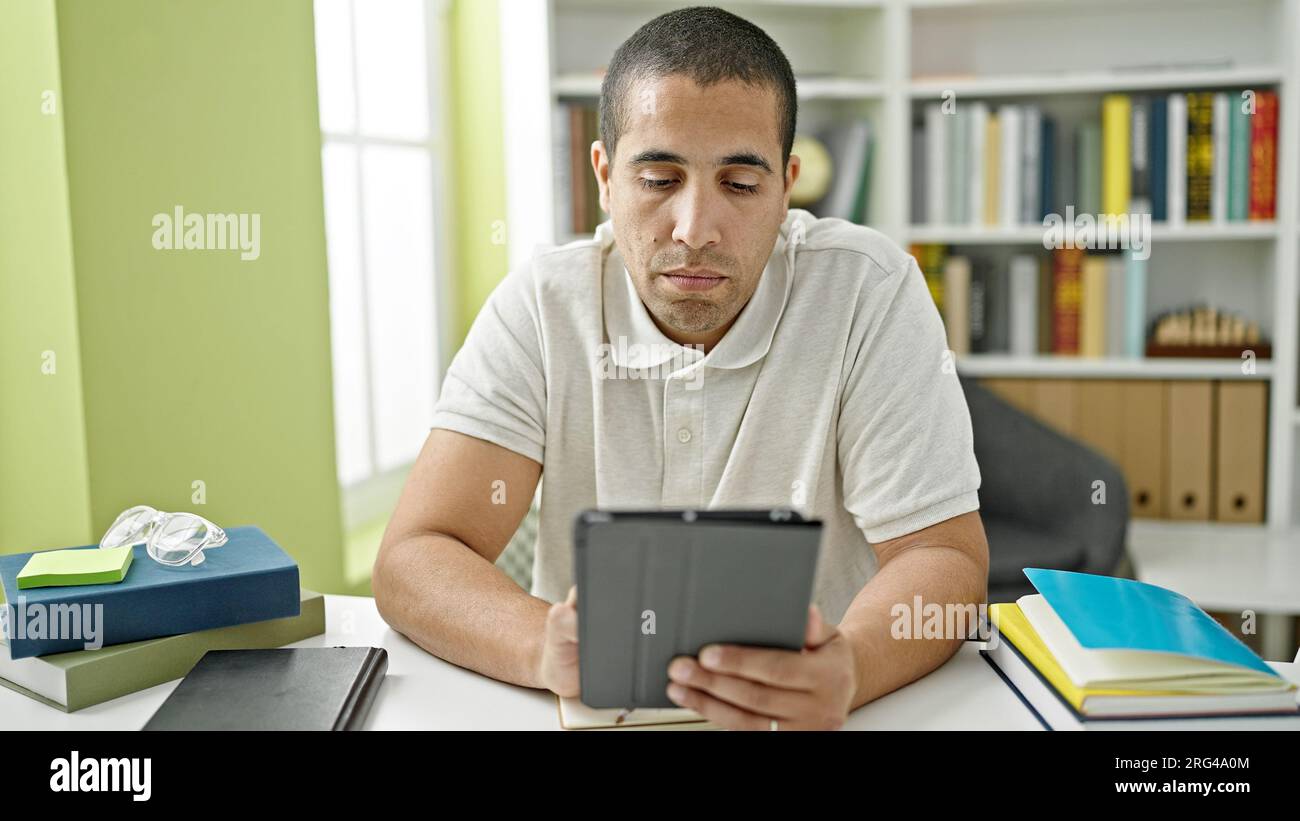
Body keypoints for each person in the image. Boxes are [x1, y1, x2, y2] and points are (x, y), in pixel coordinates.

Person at [373, 5, 988, 731]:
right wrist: (542, 645)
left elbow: (942, 556)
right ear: (605, 178)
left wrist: (849, 665)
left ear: (788, 186)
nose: (695, 230)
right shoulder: (544, 305)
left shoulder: (869, 290)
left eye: (741, 184)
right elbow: (414, 554)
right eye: (660, 178)